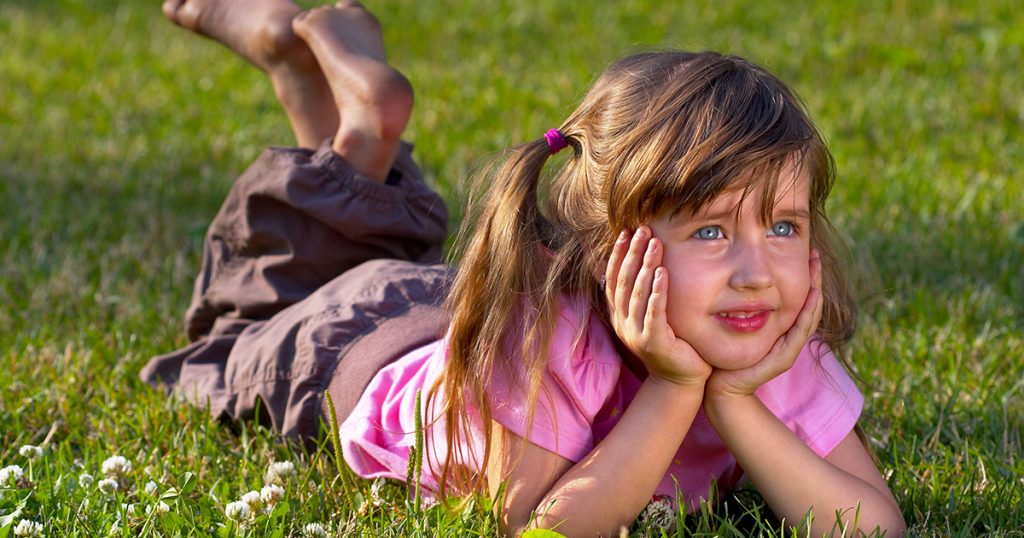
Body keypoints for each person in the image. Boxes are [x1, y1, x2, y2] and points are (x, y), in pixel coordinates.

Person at [144, 0, 906, 535]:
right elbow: (536, 526)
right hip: (357, 351)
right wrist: (677, 388)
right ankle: (324, 97)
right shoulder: (557, 345)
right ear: (613, 249)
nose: (757, 272)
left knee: (364, 253)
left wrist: (735, 401)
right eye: (711, 232)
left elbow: (870, 528)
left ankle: (345, 112)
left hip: (444, 319)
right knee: (247, 319)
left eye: (782, 225)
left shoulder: (768, 346)